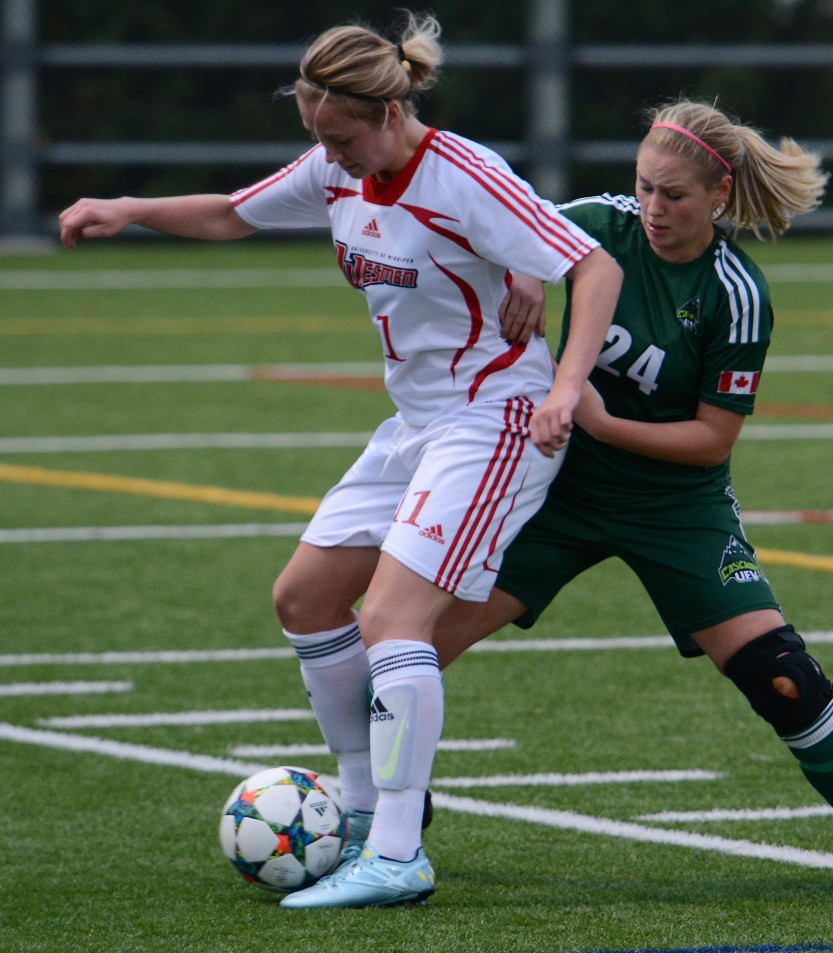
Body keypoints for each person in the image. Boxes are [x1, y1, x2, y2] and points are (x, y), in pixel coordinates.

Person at [59, 12, 622, 909]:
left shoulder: (462, 173)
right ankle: (358, 808)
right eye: (317, 137)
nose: (330, 155)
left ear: (389, 110)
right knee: (306, 596)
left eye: (341, 136)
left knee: (393, 620)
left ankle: (398, 853)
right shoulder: (337, 167)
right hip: (415, 422)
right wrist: (129, 210)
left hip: (496, 418)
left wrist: (565, 383)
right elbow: (235, 214)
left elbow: (591, 266)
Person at [432, 97, 833, 897]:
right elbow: (509, 230)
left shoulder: (735, 294)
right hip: (554, 491)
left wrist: (603, 422)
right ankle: (387, 808)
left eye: (673, 195)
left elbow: (712, 438)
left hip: (677, 504)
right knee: (411, 644)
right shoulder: (601, 224)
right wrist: (528, 272)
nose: (653, 209)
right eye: (644, 187)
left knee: (785, 676)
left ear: (719, 196)